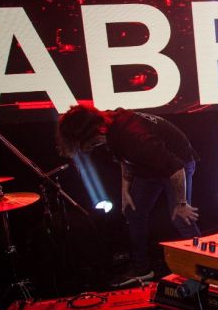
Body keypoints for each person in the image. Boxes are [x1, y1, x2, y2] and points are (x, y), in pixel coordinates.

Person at [57, 105, 200, 287]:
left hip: (177, 164)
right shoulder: (111, 125)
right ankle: (142, 269)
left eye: (90, 143)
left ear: (97, 130)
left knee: (181, 218)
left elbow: (176, 168)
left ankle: (199, 272)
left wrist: (181, 203)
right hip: (148, 166)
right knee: (133, 211)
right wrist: (125, 191)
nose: (91, 147)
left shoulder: (135, 137)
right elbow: (125, 157)